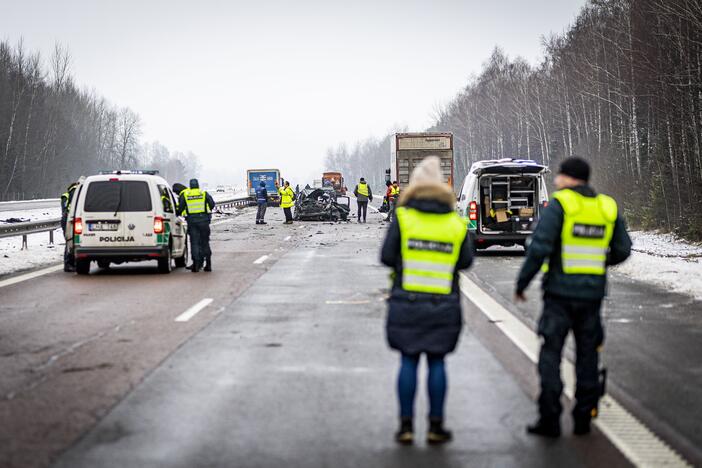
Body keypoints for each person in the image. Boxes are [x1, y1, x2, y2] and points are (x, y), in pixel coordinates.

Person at [515, 156, 631, 438]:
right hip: (592, 297)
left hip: (559, 296)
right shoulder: (607, 207)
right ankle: (583, 418)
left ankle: (550, 418)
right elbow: (623, 249)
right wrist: (597, 265)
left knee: (551, 353)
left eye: (559, 176)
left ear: (569, 178)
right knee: (588, 356)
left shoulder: (561, 205)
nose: (556, 180)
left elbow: (540, 246)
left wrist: (522, 283)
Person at [380, 156, 473, 445]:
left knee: (408, 359)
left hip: (406, 301)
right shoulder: (456, 224)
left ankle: (406, 427)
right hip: (443, 303)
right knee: (437, 361)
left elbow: (386, 257)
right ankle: (436, 426)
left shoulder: (404, 219)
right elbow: (466, 261)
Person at [178, 178, 216, 273]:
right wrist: (206, 211)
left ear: (190, 186)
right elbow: (212, 204)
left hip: (192, 221)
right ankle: (208, 264)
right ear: (198, 185)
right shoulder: (203, 193)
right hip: (204, 221)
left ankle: (196, 265)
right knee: (205, 242)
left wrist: (179, 213)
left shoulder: (186, 194)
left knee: (194, 243)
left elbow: (180, 208)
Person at [61, 181, 80, 272]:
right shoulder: (75, 191)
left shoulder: (67, 194)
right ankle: (68, 264)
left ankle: (71, 263)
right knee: (70, 241)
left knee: (70, 241)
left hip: (67, 218)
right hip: (70, 219)